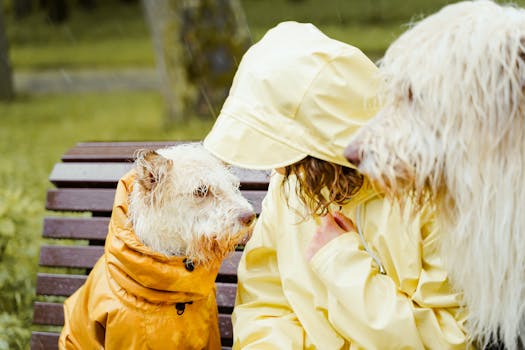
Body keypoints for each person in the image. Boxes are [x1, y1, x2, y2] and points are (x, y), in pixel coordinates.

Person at [204, 22, 468, 349]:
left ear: (323, 147)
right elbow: (263, 305)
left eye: (287, 152)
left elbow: (449, 339)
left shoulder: (434, 199)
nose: (278, 168)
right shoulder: (291, 187)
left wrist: (342, 262)